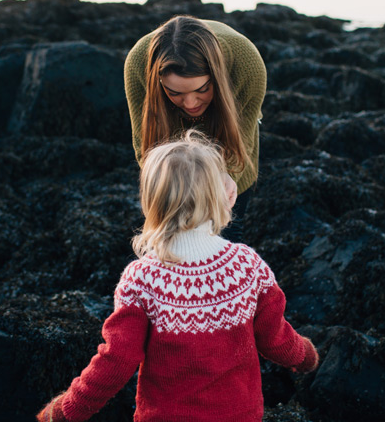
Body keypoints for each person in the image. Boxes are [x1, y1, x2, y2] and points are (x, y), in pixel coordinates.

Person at [36, 131, 319, 422]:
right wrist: (308, 356)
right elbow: (276, 340)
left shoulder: (142, 279)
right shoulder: (247, 266)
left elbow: (117, 362)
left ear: (151, 203)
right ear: (221, 196)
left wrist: (65, 409)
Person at [123, 15, 266, 222]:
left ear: (215, 77)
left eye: (202, 89)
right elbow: (147, 144)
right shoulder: (138, 64)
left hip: (228, 132)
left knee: (227, 233)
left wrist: (227, 176)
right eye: (175, 93)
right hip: (170, 137)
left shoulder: (247, 64)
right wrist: (164, 189)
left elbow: (241, 139)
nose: (190, 104)